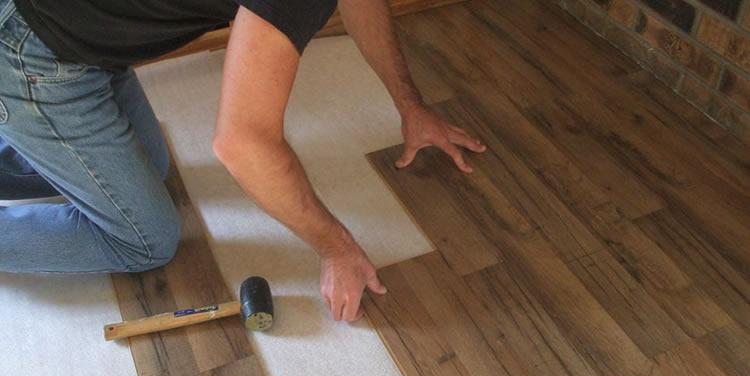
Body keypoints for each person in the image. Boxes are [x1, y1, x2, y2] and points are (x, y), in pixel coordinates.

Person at [0, 0, 486, 322]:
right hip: (31, 56)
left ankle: (26, 139)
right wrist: (337, 249)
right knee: (147, 241)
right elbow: (242, 143)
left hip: (75, 38)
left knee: (153, 171)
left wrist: (410, 105)